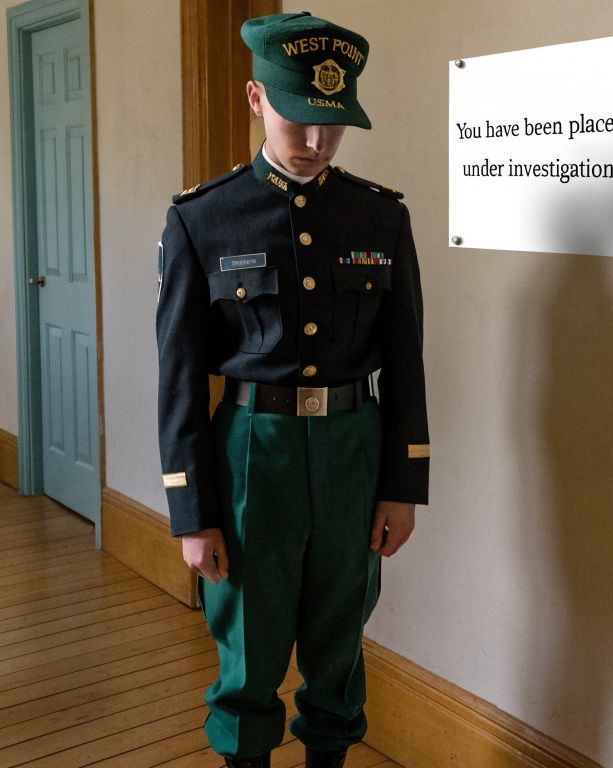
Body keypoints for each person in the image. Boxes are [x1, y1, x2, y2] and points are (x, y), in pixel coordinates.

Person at [156, 12, 429, 768]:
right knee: (248, 645)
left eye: (333, 126)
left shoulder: (380, 215)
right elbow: (180, 375)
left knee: (339, 644)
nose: (315, 144)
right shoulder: (202, 219)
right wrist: (193, 511)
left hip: (353, 447)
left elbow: (405, 359)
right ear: (255, 98)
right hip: (252, 449)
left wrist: (402, 485)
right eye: (298, 120)